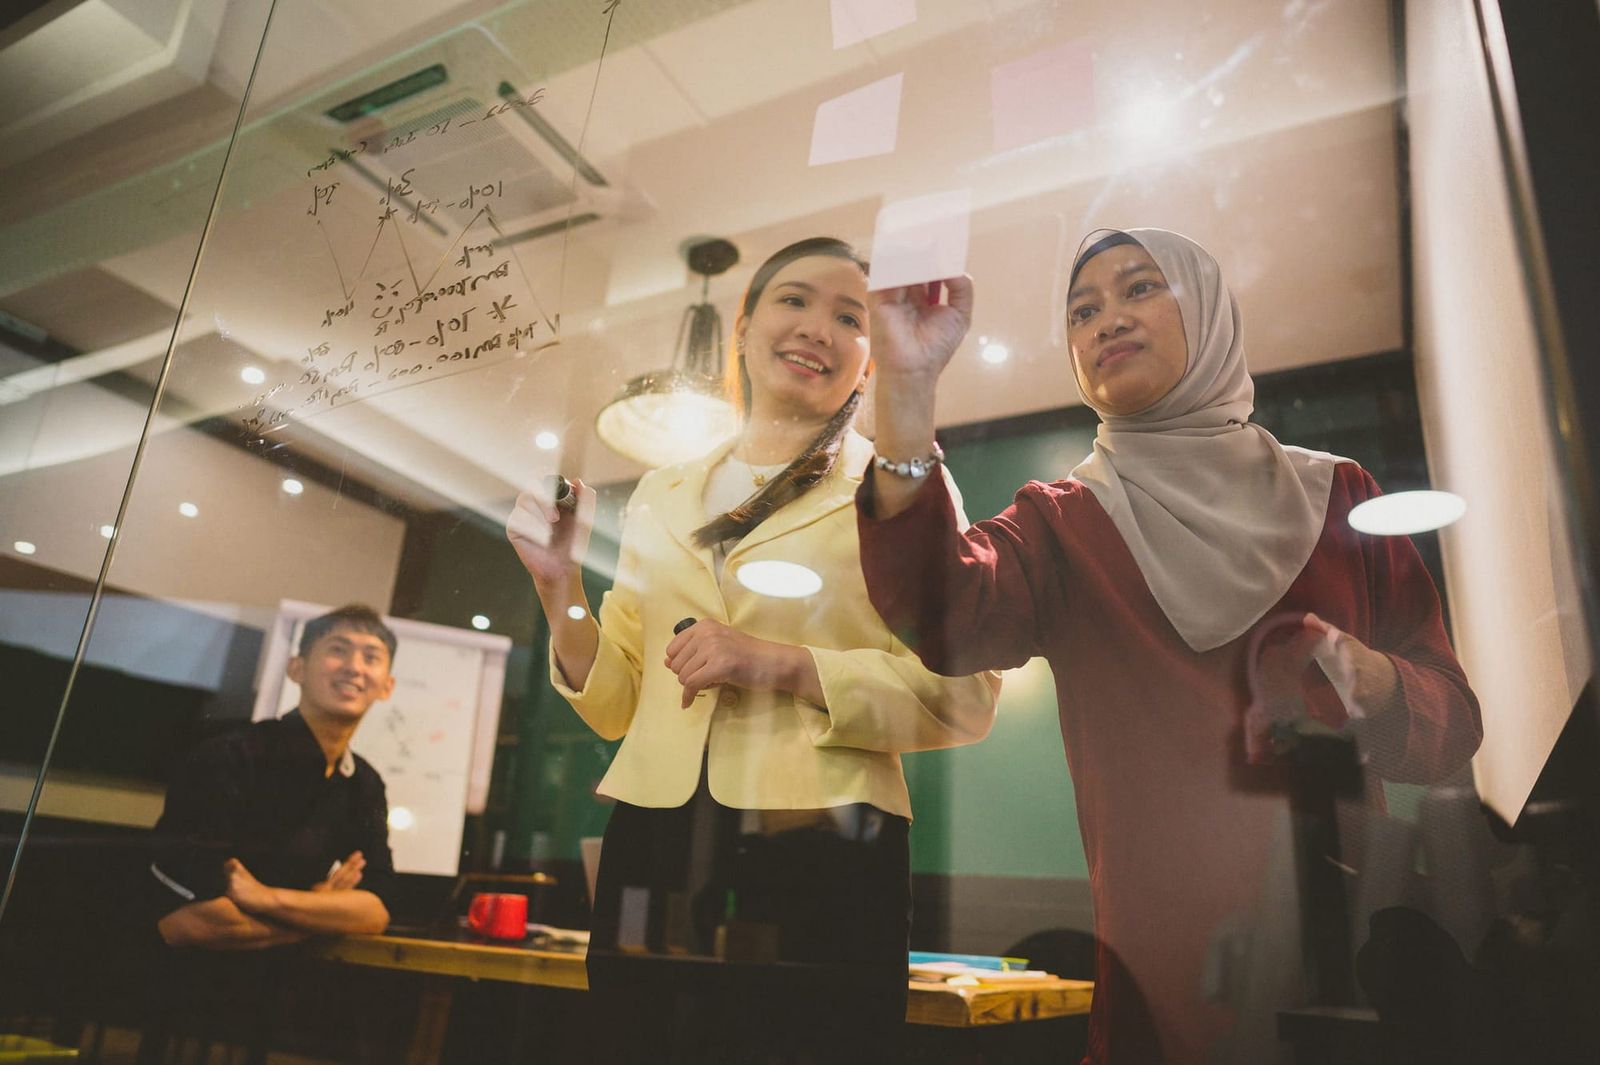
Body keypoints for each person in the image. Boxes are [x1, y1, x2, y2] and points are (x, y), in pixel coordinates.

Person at [856, 228, 1483, 1064]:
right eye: (1083, 310)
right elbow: (942, 613)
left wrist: (1382, 683)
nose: (1107, 319)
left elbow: (1453, 731)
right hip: (1158, 991)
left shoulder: (1339, 494)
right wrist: (904, 389)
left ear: (1210, 311)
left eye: (1139, 288)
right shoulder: (1064, 523)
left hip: (1342, 966)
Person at [507, 237, 1000, 1064]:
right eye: (795, 301)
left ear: (872, 357)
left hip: (826, 839)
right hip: (656, 834)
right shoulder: (663, 492)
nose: (818, 328)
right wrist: (561, 589)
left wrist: (780, 662)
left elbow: (964, 691)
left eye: (851, 316)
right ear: (743, 325)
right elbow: (622, 697)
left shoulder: (900, 485)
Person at [146, 604, 398, 949]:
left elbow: (375, 911)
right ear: (297, 669)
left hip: (285, 988)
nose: (354, 667)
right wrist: (323, 911)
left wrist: (264, 898)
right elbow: (190, 922)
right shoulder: (231, 756)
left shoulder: (364, 783)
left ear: (387, 685)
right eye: (337, 650)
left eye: (371, 657)